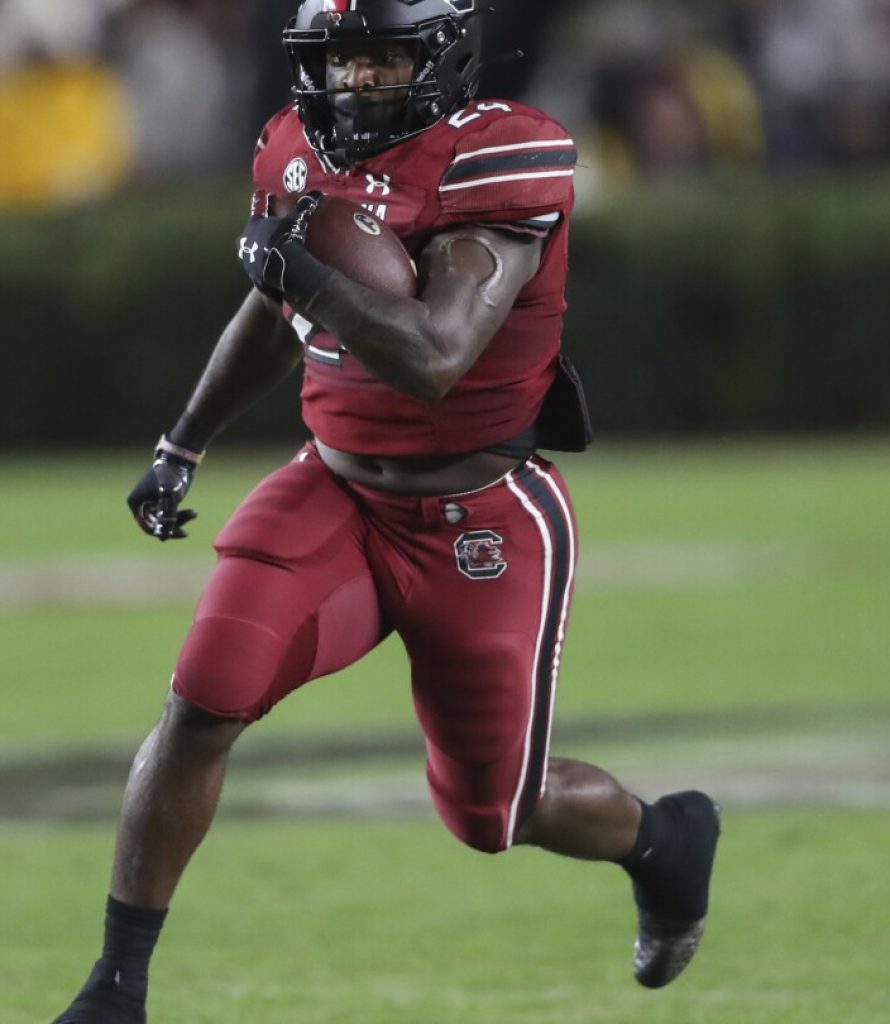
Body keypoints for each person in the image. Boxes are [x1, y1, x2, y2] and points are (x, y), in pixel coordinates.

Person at [51, 2, 720, 1020]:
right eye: (341, 59)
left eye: (383, 56)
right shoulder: (292, 147)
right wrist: (184, 439)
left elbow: (434, 358)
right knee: (202, 700)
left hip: (481, 512)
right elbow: (276, 317)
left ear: (441, 56)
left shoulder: (500, 154)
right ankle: (116, 986)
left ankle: (662, 840)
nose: (358, 80)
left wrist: (304, 266)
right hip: (333, 488)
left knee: (494, 810)